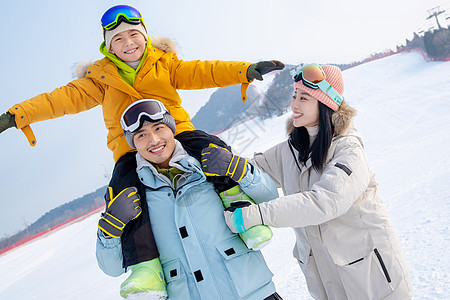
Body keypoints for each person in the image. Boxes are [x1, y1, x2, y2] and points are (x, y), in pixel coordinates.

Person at [0, 4, 284, 298]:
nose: (128, 43)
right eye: (118, 39)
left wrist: (244, 70)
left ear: (145, 37)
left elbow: (204, 71)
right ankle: (145, 268)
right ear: (108, 47)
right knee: (126, 195)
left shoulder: (164, 63)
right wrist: (17, 115)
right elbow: (59, 100)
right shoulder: (99, 79)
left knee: (215, 152)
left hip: (179, 134)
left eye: (133, 35)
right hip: (128, 150)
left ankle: (240, 213)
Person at [208, 64, 413, 299]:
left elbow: (324, 202)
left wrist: (253, 216)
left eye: (304, 97)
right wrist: (227, 164)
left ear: (326, 102)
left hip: (373, 283)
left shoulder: (348, 149)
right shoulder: (291, 150)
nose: (293, 104)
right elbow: (252, 171)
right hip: (328, 284)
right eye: (295, 95)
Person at [96, 99, 282, 300]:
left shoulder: (208, 160)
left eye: (159, 128)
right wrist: (110, 228)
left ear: (171, 128)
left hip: (254, 293)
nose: (154, 140)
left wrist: (241, 169)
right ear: (133, 143)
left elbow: (269, 196)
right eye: (141, 135)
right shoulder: (131, 188)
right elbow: (112, 268)